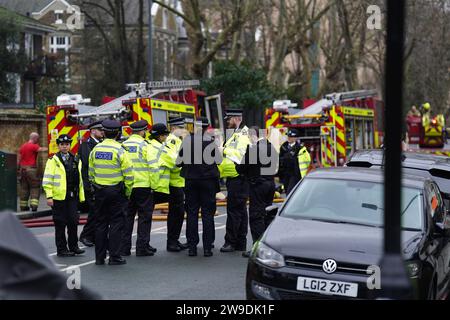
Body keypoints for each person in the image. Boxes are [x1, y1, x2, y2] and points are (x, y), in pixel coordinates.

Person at [89, 120, 134, 265]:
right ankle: (114, 256)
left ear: (104, 132)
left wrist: (96, 187)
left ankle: (99, 258)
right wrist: (127, 192)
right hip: (116, 192)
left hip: (99, 191)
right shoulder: (120, 150)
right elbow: (129, 175)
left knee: (100, 223)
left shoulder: (95, 149)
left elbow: (91, 173)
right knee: (116, 224)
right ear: (118, 133)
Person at [178, 117, 222, 257]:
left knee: (191, 213)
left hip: (191, 180)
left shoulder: (187, 141)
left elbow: (178, 162)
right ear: (206, 127)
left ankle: (192, 247)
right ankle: (208, 248)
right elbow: (219, 160)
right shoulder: (210, 141)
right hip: (208, 181)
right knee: (208, 214)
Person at [236, 126, 278, 258]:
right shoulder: (271, 147)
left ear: (252, 135)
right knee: (268, 215)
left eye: (249, 136)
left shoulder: (253, 148)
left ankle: (257, 248)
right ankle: (268, 246)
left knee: (256, 217)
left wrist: (238, 165)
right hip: (270, 184)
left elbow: (242, 168)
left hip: (258, 185)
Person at [42, 134, 85, 257]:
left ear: (70, 145)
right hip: (58, 197)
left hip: (72, 196)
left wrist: (81, 195)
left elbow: (80, 179)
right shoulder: (52, 161)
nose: (64, 147)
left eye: (67, 144)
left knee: (73, 221)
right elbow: (47, 180)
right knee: (60, 223)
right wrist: (49, 196)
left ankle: (74, 246)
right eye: (62, 144)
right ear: (58, 146)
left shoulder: (76, 158)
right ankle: (62, 249)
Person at [120, 120, 157, 257]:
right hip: (143, 186)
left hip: (128, 187)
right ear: (142, 131)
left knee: (127, 217)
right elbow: (153, 167)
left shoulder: (123, 145)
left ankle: (124, 248)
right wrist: (154, 185)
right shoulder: (145, 145)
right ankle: (142, 248)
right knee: (144, 217)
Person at [218, 109, 251, 253]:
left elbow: (240, 155)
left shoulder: (243, 135)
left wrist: (223, 150)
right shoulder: (236, 133)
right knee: (241, 212)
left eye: (229, 119)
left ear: (237, 118)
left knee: (234, 212)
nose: (227, 121)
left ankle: (230, 242)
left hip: (238, 178)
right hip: (234, 178)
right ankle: (240, 242)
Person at [78, 120, 104, 247]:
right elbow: (89, 163)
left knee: (99, 211)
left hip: (99, 183)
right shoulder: (86, 145)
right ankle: (86, 235)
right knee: (95, 211)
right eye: (100, 130)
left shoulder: (100, 143)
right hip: (91, 183)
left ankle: (92, 236)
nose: (102, 132)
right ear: (93, 131)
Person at [165, 117, 189, 252]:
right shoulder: (171, 141)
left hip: (180, 181)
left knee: (178, 214)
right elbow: (174, 162)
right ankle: (172, 242)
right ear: (174, 128)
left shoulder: (179, 140)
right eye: (181, 128)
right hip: (174, 183)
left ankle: (175, 240)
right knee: (175, 213)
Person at [18, 132, 48, 211]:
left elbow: (19, 159)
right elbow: (42, 150)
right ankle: (34, 206)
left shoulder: (23, 146)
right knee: (35, 187)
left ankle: (23, 206)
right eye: (37, 139)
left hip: (22, 170)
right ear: (35, 138)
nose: (37, 140)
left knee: (24, 188)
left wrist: (18, 169)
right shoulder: (34, 146)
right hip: (31, 170)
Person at [278, 128, 310, 195]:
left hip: (295, 174)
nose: (289, 138)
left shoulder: (300, 148)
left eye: (291, 136)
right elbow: (280, 159)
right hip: (285, 174)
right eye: (288, 136)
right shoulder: (283, 147)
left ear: (296, 138)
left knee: (291, 192)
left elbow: (307, 161)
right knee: (287, 191)